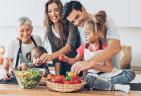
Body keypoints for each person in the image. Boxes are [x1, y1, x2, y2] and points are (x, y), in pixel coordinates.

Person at [59, 11, 135, 93]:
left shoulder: (105, 49)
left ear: (98, 34)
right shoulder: (83, 47)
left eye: (87, 34)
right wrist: (67, 59)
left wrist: (91, 65)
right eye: (84, 34)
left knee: (131, 73)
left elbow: (109, 69)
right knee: (87, 79)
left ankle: (101, 85)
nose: (85, 36)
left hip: (105, 75)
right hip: (92, 76)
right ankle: (114, 86)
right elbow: (76, 61)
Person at [62, 0, 121, 74]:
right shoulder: (81, 27)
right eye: (73, 22)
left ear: (83, 9)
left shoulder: (106, 21)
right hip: (93, 75)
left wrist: (89, 63)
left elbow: (115, 47)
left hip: (112, 74)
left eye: (77, 17)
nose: (76, 23)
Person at [39, 0, 80, 75]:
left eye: (56, 10)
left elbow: (69, 47)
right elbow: (55, 55)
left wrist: (51, 56)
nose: (53, 14)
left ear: (61, 10)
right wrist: (57, 75)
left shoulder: (72, 23)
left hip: (76, 68)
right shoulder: (49, 30)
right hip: (62, 70)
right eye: (49, 11)